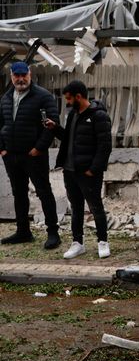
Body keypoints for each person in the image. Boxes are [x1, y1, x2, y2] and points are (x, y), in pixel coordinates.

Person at [45, 80, 112, 259]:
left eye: (68, 98)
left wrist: (93, 169)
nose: (67, 102)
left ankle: (103, 242)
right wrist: (55, 129)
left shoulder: (99, 115)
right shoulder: (73, 114)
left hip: (88, 172)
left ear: (78, 96)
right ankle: (77, 243)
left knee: (95, 207)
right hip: (70, 171)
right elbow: (69, 138)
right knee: (76, 208)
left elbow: (105, 146)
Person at [0, 61, 61, 249]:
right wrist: (2, 148)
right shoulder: (6, 98)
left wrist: (39, 148)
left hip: (34, 155)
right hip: (11, 155)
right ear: (11, 76)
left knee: (44, 192)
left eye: (23, 75)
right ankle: (23, 231)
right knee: (19, 193)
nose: (20, 79)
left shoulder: (43, 96)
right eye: (16, 75)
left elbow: (52, 125)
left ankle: (53, 233)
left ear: (30, 74)